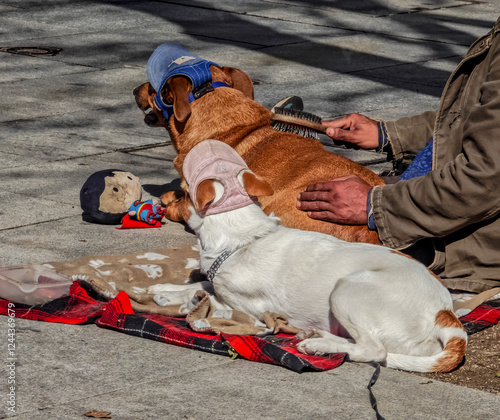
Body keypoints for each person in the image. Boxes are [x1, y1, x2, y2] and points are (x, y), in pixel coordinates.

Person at [296, 17, 500, 293]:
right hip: (460, 204)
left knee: (301, 251)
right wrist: (388, 134)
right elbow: (468, 117)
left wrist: (374, 205)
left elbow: (483, 181)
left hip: (474, 251)